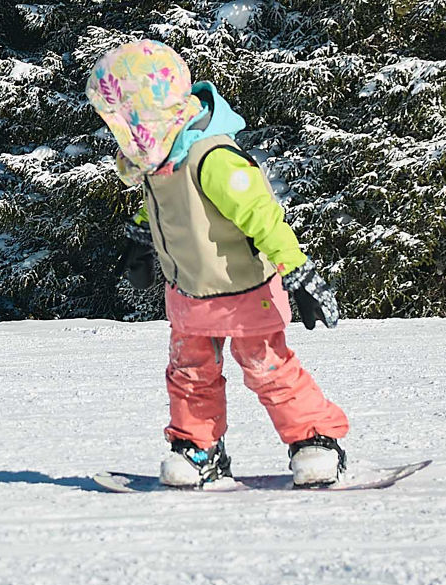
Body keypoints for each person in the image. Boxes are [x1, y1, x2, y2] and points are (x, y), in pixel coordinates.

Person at [87, 40, 352, 488]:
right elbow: (164, 208)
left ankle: (315, 439)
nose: (120, 132)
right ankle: (199, 449)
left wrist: (298, 271)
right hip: (189, 289)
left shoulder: (212, 157)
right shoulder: (159, 161)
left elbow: (263, 215)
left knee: (266, 366)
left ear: (149, 111)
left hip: (245, 289)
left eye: (123, 119)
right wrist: (139, 236)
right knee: (189, 372)